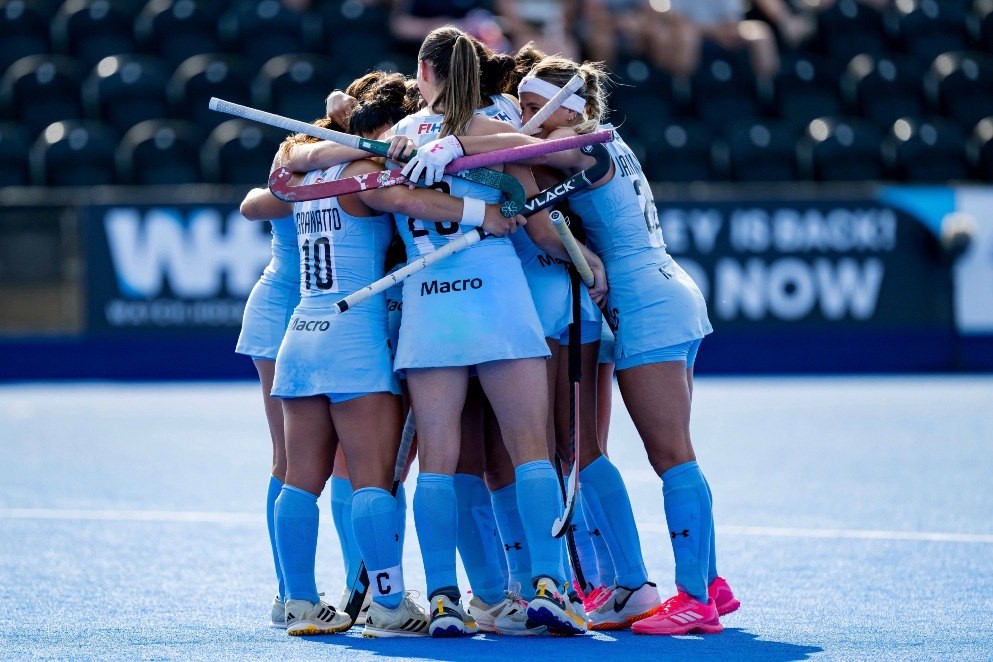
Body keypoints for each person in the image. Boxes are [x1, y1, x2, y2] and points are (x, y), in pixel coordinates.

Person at [410, 52, 740, 635]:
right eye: (522, 107)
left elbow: (516, 152)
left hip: (643, 301)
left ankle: (684, 596)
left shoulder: (584, 141)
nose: (527, 118)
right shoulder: (590, 141)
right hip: (655, 294)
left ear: (572, 108)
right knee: (629, 451)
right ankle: (704, 584)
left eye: (536, 107)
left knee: (663, 454)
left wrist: (449, 139)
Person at [242, 77, 524, 637]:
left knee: (300, 478)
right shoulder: (364, 175)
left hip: (302, 331)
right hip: (353, 336)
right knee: (372, 480)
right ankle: (389, 605)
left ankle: (298, 600)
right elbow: (408, 199)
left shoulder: (303, 176)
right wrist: (482, 213)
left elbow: (283, 172)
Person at [385, 26, 596, 637]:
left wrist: (446, 145)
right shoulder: (493, 130)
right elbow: (547, 170)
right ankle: (549, 588)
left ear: (424, 72)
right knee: (531, 448)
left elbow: (381, 197)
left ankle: (444, 599)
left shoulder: (399, 136)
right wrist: (477, 151)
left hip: (430, 303)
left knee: (438, 460)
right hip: (497, 297)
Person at [235, 168, 299, 631]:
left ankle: (363, 595)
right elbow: (254, 205)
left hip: (346, 313)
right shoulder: (305, 154)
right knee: (289, 457)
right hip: (281, 308)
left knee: (353, 462)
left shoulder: (383, 159)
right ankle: (289, 593)